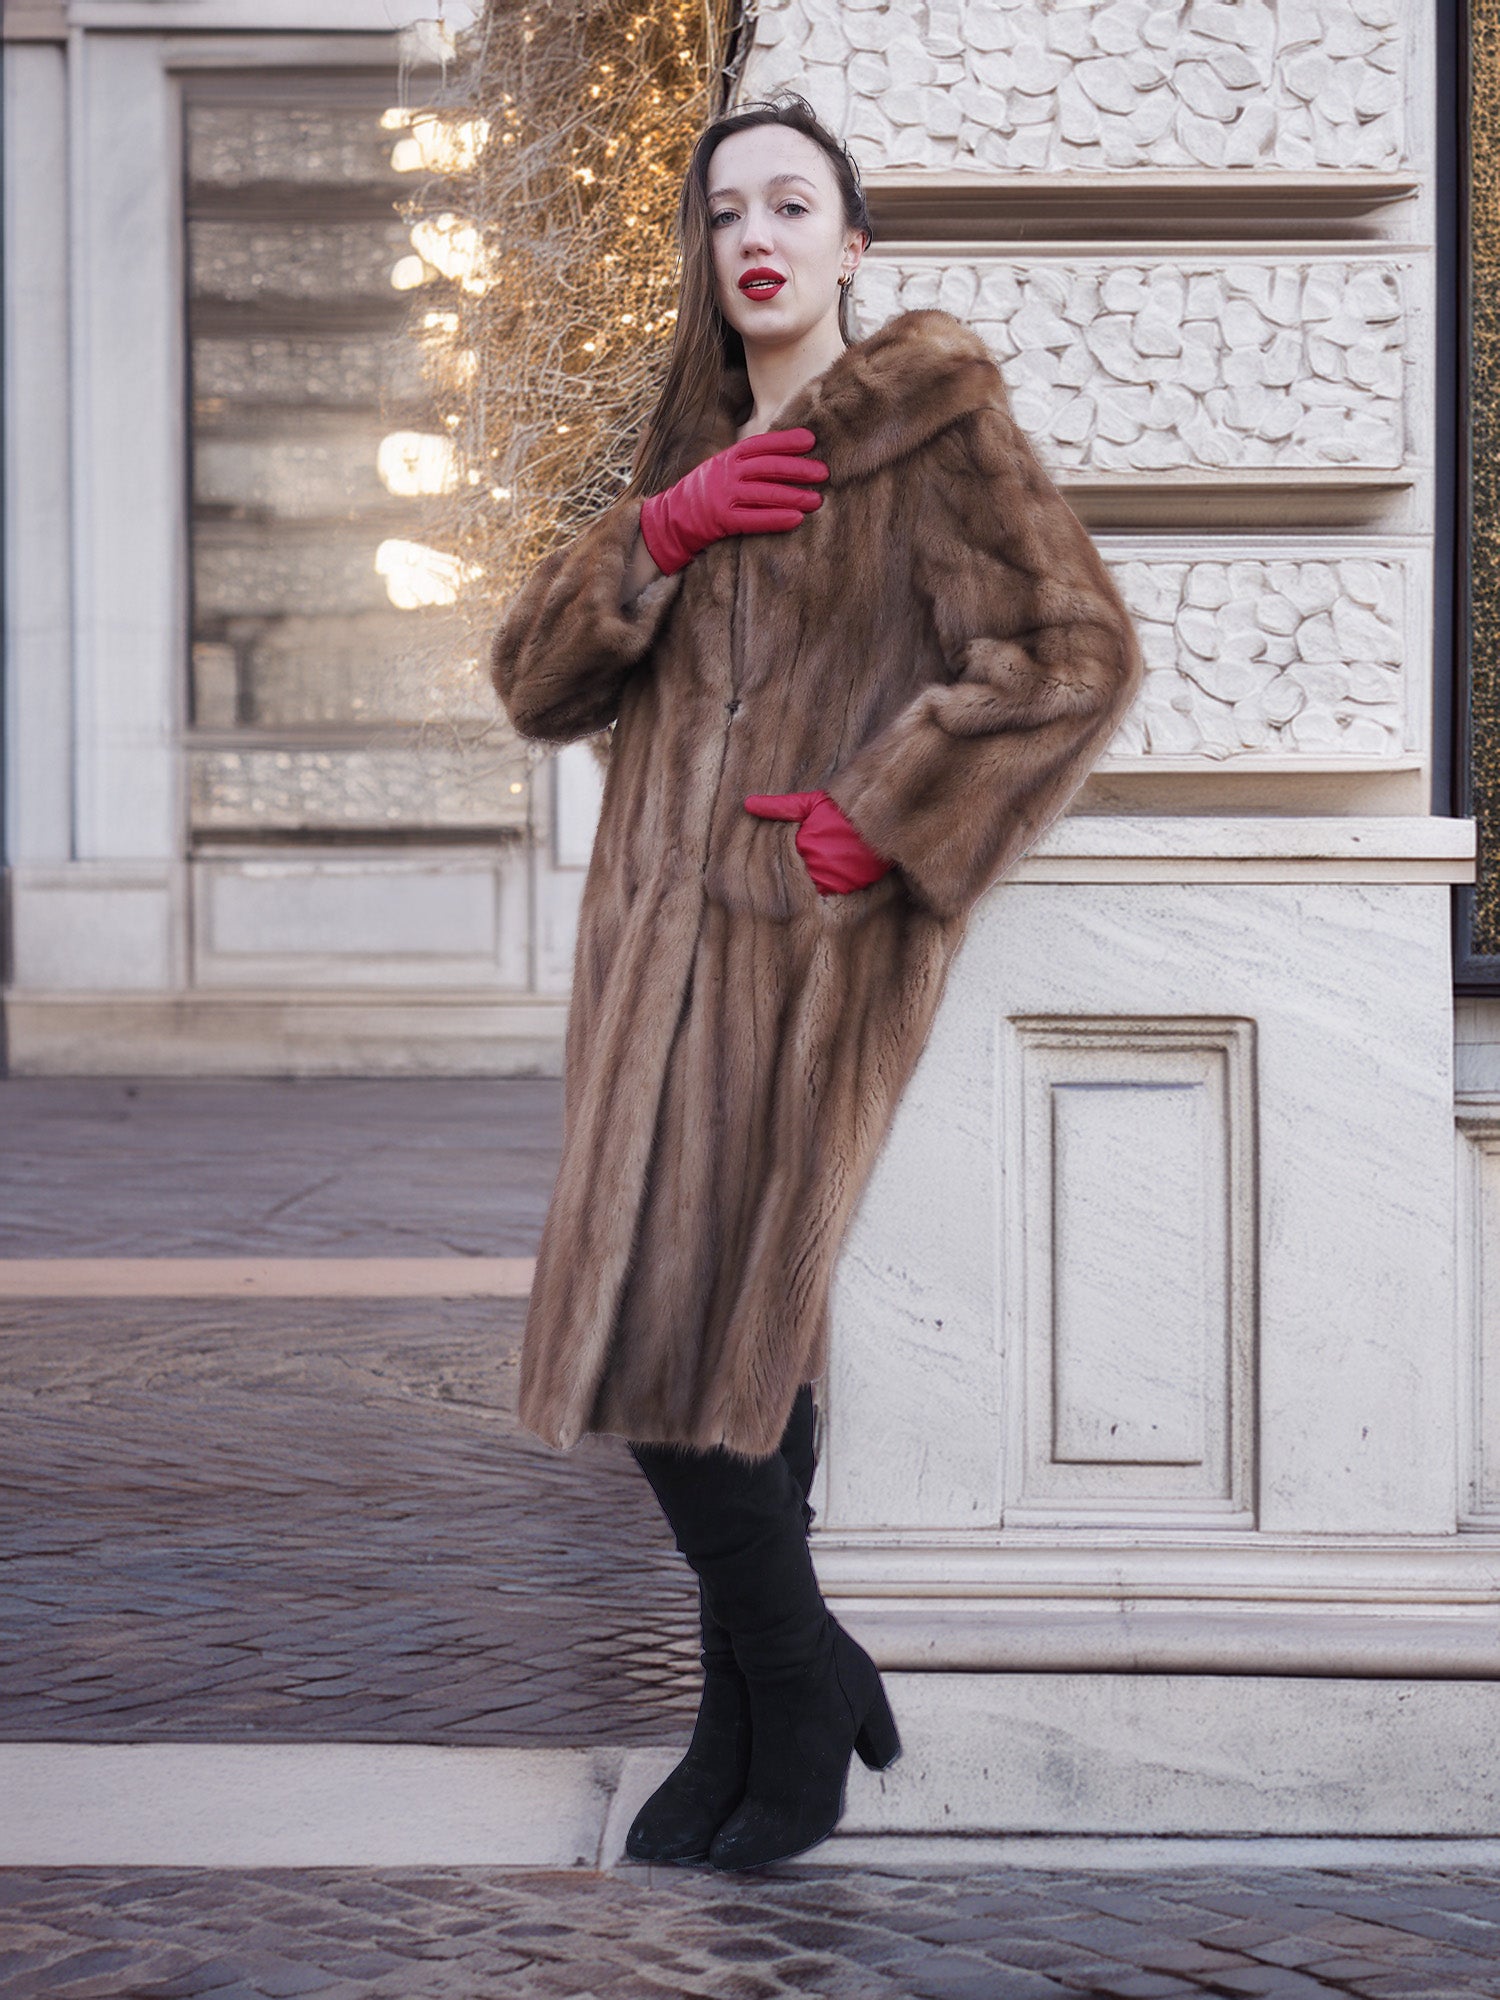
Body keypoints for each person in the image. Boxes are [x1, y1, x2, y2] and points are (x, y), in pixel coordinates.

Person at [488, 92, 1145, 1870]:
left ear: (856, 243)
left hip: (800, 957)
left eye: (792, 207)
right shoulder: (690, 439)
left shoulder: (930, 424)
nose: (754, 238)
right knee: (703, 1370)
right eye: (725, 215)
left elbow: (1073, 656)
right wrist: (663, 533)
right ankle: (759, 1722)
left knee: (697, 1347)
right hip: (646, 972)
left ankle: (796, 1669)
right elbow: (536, 685)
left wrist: (882, 815)